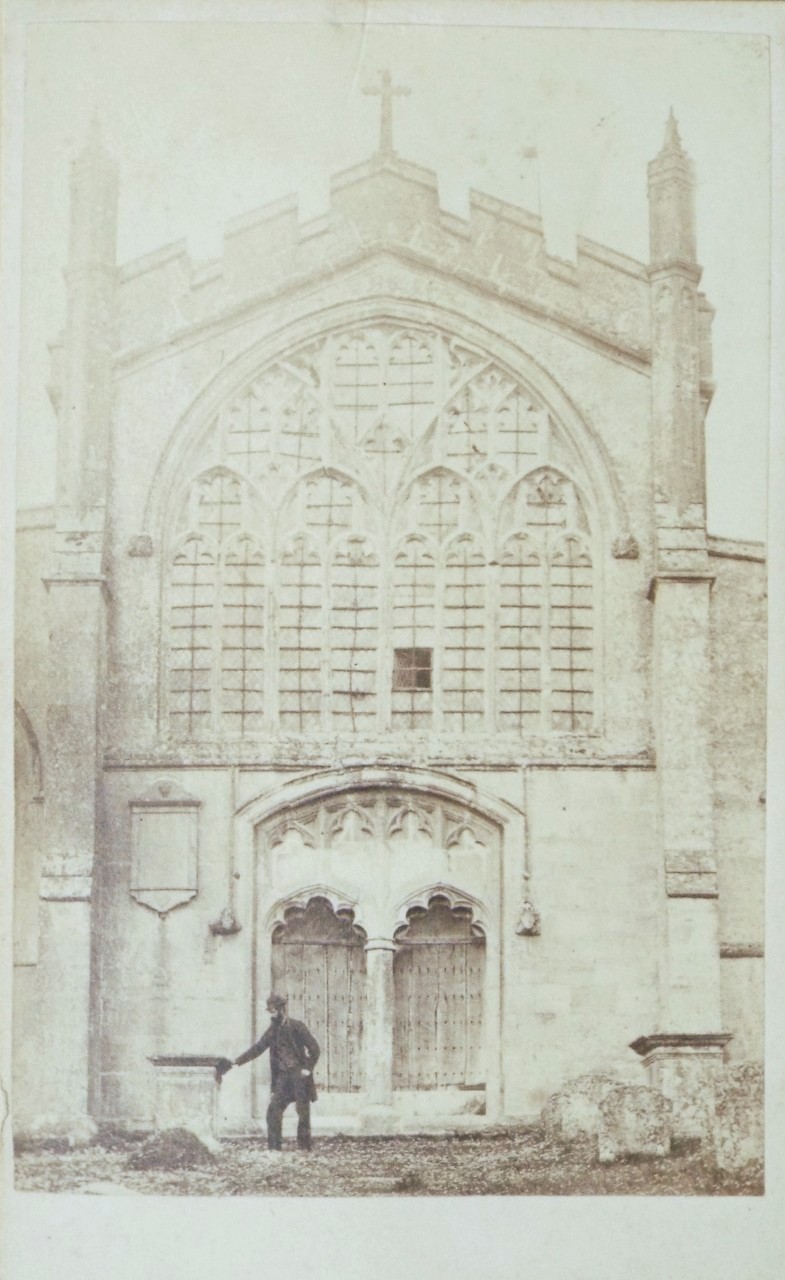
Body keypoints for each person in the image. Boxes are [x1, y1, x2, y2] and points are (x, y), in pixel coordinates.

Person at [216, 994, 320, 1153]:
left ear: (282, 1009)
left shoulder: (297, 1026)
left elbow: (315, 1049)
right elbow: (258, 1048)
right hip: (283, 1077)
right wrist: (236, 1061)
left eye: (273, 1010)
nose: (272, 1014)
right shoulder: (273, 1031)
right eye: (270, 1011)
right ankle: (274, 1148)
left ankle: (304, 1148)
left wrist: (307, 1068)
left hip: (299, 1075)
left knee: (303, 1112)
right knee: (273, 1111)